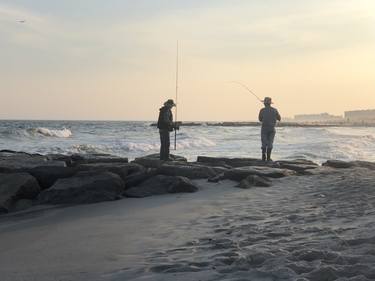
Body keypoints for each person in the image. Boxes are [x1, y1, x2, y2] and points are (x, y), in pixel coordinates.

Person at [258, 97, 281, 161]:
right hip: (272, 129)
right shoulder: (275, 110)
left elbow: (260, 119)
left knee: (264, 142)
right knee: (270, 142)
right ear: (270, 103)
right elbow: (279, 118)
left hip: (264, 128)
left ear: (264, 103)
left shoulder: (262, 110)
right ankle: (268, 157)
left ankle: (263, 156)